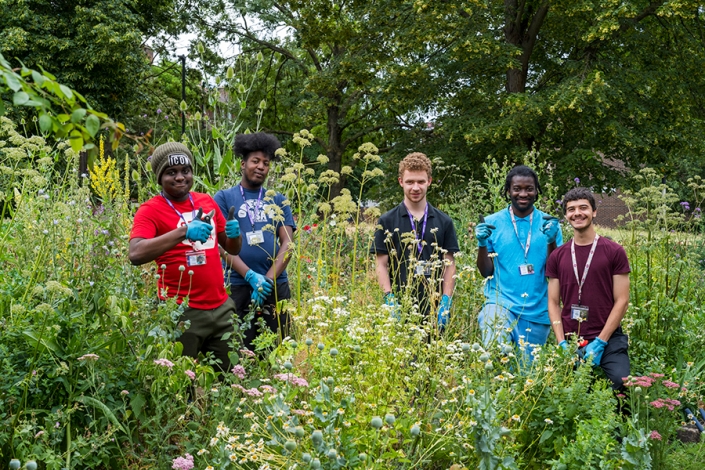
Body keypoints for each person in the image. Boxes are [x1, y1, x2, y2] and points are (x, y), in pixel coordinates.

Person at [129, 142, 242, 373]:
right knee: (181, 386)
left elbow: (232, 249)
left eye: (185, 171)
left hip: (221, 308)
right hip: (181, 312)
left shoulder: (206, 202)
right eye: (171, 173)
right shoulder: (150, 210)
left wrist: (235, 234)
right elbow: (136, 253)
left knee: (231, 383)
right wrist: (183, 231)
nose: (180, 177)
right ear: (159, 178)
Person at [214, 132, 295, 353]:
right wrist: (250, 275)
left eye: (266, 163)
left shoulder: (278, 199)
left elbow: (288, 245)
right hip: (237, 286)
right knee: (238, 350)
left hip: (275, 286)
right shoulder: (223, 198)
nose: (260, 167)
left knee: (277, 351)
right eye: (255, 161)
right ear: (243, 164)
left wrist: (266, 280)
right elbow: (220, 245)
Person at [546, 187, 631, 390]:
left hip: (608, 337)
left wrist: (601, 342)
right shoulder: (557, 256)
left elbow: (622, 300)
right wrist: (561, 344)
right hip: (571, 338)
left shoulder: (614, 251)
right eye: (571, 209)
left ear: (594, 212)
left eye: (583, 208)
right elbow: (552, 302)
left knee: (622, 383)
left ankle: (619, 422)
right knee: (559, 388)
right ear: (566, 215)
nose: (577, 213)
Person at [475, 165, 563, 357]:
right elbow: (486, 272)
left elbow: (553, 271)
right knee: (498, 359)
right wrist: (482, 244)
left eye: (529, 188)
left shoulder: (549, 223)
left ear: (537, 191)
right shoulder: (492, 223)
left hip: (537, 312)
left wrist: (551, 241)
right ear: (508, 191)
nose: (523, 193)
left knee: (526, 378)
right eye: (517, 188)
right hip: (500, 305)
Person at [371, 152, 459, 329]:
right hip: (400, 306)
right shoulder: (387, 221)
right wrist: (388, 298)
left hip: (434, 309)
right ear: (401, 182)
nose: (416, 187)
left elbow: (449, 263)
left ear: (429, 181)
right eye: (410, 182)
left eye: (420, 181)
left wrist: (446, 301)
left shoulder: (444, 221)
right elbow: (381, 264)